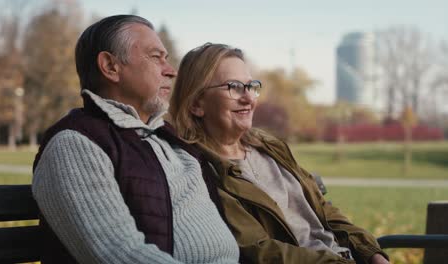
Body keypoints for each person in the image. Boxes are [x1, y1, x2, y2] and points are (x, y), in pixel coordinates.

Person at [32, 16, 239, 264]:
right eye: (155, 57)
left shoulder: (170, 140)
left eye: (167, 59)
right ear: (110, 66)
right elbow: (119, 254)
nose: (171, 71)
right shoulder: (74, 144)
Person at [169, 43, 390, 264]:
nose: (249, 98)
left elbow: (322, 209)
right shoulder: (201, 171)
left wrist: (372, 252)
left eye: (251, 86)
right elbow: (259, 250)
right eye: (234, 87)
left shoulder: (270, 146)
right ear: (197, 103)